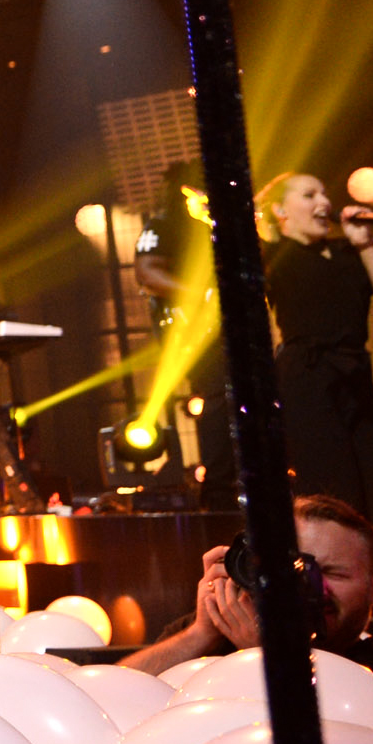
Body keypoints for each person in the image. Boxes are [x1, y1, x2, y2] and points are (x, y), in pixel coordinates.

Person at [120, 492, 373, 681]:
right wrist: (200, 635)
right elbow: (115, 697)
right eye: (295, 568)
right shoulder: (219, 635)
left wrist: (267, 657)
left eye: (334, 573)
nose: (314, 586)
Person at [259, 172, 373, 519]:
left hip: (355, 371)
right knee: (330, 482)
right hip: (306, 375)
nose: (324, 202)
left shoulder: (348, 251)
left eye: (324, 194)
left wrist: (363, 243)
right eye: (309, 195)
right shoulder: (272, 255)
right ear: (281, 210)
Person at [134, 159, 234, 508]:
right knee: (218, 394)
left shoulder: (217, 226)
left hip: (231, 326)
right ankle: (220, 491)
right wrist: (201, 294)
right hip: (193, 330)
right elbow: (147, 272)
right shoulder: (163, 226)